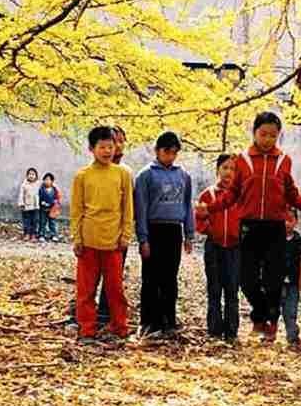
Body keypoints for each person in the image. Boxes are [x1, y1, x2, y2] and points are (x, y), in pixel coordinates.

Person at [196, 112, 301, 342]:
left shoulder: (284, 160)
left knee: (273, 280)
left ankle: (270, 320)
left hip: (275, 226)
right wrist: (209, 208)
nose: (268, 139)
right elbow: (232, 194)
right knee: (246, 279)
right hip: (249, 226)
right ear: (254, 133)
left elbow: (291, 193)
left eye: (273, 135)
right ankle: (259, 314)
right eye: (263, 134)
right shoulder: (242, 160)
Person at [70, 126, 134, 344]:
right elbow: (77, 210)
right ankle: (87, 330)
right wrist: (77, 238)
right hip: (88, 240)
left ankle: (120, 327)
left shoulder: (123, 174)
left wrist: (125, 235)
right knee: (86, 290)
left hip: (113, 242)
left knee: (115, 289)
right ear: (92, 149)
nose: (107, 151)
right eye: (102, 147)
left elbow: (127, 208)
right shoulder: (82, 176)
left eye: (110, 146)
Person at [133, 131, 194, 337]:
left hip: (174, 230)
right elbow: (141, 209)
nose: (170, 156)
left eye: (174, 152)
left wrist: (189, 234)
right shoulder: (145, 175)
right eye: (167, 151)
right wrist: (143, 238)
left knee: (170, 278)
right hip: (153, 229)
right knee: (151, 278)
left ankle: (169, 320)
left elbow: (187, 205)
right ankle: (149, 322)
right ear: (157, 151)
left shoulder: (183, 175)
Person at [197, 154, 241, 341]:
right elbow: (199, 219)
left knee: (232, 290)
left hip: (235, 249)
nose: (228, 172)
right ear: (217, 170)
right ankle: (214, 330)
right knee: (214, 289)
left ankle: (232, 331)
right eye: (225, 168)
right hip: (214, 247)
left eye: (232, 169)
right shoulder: (208, 195)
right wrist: (211, 229)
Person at [282, 208, 301, 348]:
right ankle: (269, 335)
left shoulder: (299, 241)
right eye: (284, 220)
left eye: (290, 220)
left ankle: (292, 336)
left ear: (296, 222)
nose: (287, 223)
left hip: (293, 282)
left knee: (290, 311)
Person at [19, 168, 41, 242]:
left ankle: (34, 234)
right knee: (26, 221)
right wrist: (21, 203)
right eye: (30, 174)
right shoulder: (24, 185)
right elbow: (21, 195)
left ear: (36, 176)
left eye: (33, 174)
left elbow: (42, 192)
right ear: (27, 175)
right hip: (26, 206)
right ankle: (27, 234)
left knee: (35, 221)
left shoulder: (38, 184)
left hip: (35, 206)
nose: (31, 176)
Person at [39, 173, 61, 242]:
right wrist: (41, 202)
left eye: (49, 180)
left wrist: (56, 202)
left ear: (52, 181)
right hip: (43, 208)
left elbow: (58, 197)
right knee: (42, 222)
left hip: (52, 209)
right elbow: (38, 197)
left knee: (52, 222)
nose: (47, 181)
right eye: (45, 179)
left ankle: (53, 235)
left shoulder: (54, 189)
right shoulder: (41, 189)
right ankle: (42, 235)